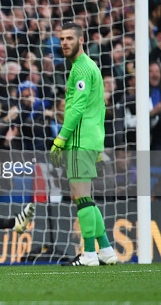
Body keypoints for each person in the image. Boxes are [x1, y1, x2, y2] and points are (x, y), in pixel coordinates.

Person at [49, 22, 118, 267]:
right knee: (83, 196)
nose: (64, 43)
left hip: (80, 140)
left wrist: (61, 138)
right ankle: (106, 250)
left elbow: (77, 108)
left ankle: (89, 254)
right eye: (61, 39)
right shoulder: (90, 66)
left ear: (81, 40)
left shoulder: (80, 69)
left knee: (81, 196)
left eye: (69, 38)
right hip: (90, 139)